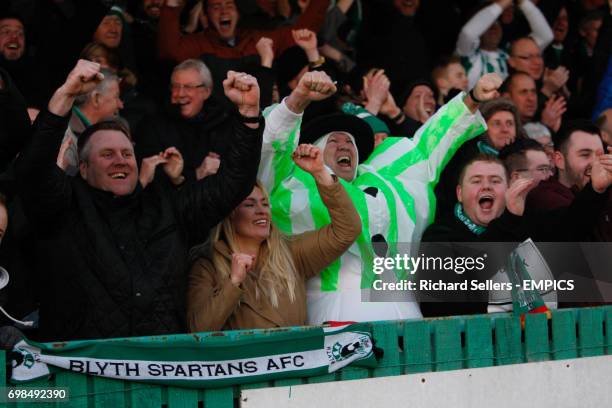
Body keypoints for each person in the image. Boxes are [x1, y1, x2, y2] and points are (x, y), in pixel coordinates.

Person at [17, 60, 263, 341]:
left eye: (126, 153)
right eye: (107, 154)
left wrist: (248, 115)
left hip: (163, 373)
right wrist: (65, 96)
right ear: (83, 168)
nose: (119, 161)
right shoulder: (62, 208)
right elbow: (32, 170)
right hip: (83, 376)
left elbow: (233, 184)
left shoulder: (166, 207)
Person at [259, 70, 501, 324]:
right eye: (333, 141)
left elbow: (428, 145)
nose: (344, 146)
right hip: (332, 316)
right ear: (313, 150)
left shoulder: (385, 177)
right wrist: (298, 100)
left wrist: (472, 98)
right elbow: (272, 147)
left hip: (408, 317)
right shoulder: (290, 183)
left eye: (350, 142)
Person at [188, 144, 361, 331]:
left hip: (297, 358)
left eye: (265, 204)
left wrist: (320, 172)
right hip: (245, 360)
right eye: (250, 205)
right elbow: (199, 329)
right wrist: (233, 282)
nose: (261, 211)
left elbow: (347, 230)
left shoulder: (291, 252)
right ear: (230, 214)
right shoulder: (208, 264)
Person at [158, 0, 328, 87]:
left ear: (239, 13)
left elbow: (303, 33)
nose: (224, 10)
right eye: (216, 6)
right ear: (205, 16)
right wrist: (172, 6)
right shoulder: (199, 43)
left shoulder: (258, 40)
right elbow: (170, 51)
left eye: (229, 4)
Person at [135, 59, 240, 183]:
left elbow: (239, 170)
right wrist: (196, 174)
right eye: (175, 86)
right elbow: (148, 176)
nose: (180, 93)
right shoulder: (153, 125)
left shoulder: (224, 123)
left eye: (188, 87)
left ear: (206, 91)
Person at [435, 97, 523, 218]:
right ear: (484, 129)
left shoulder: (525, 159)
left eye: (510, 124)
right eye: (497, 123)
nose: (505, 130)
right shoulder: (463, 159)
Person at [456, 0, 553, 89]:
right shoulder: (467, 54)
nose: (494, 28)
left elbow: (546, 36)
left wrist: (522, 2)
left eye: (497, 23)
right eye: (488, 24)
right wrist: (503, 3)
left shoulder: (508, 55)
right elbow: (468, 34)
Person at [59, 68, 123, 176]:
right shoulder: (66, 136)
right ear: (96, 98)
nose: (120, 105)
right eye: (116, 97)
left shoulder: (91, 132)